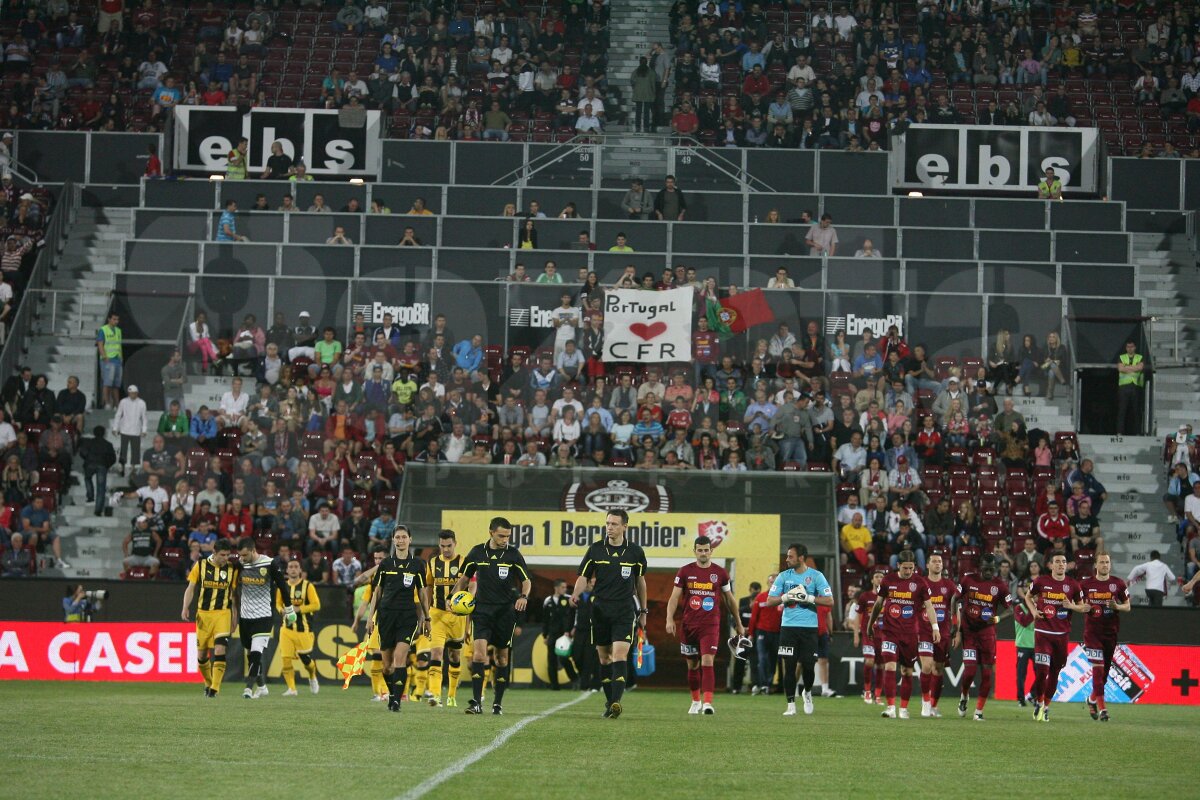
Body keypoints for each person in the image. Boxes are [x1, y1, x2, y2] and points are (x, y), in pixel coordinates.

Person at [569, 509, 647, 720]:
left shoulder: (635, 552)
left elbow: (640, 582)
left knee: (620, 654)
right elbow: (583, 576)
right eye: (607, 523)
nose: (609, 527)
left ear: (624, 527)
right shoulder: (595, 549)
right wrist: (575, 593)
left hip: (624, 610)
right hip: (600, 610)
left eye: (614, 524)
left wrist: (643, 611)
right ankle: (609, 700)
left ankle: (616, 701)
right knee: (604, 658)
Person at [454, 517, 532, 715]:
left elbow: (526, 580)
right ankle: (476, 703)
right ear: (491, 532)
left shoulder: (513, 554)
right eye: (501, 535)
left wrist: (523, 596)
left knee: (501, 658)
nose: (505, 539)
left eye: (507, 536)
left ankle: (497, 703)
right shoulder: (477, 552)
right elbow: (463, 578)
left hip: (505, 612)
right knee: (479, 655)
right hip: (481, 611)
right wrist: (451, 597)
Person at [664, 535, 745, 715]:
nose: (703, 553)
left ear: (711, 551)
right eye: (699, 550)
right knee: (692, 665)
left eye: (706, 550)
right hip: (688, 625)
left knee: (707, 661)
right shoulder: (684, 572)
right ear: (695, 551)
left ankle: (708, 703)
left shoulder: (721, 573)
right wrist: (669, 618)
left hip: (710, 624)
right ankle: (695, 700)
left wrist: (738, 623)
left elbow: (729, 599)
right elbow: (674, 597)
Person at [764, 543, 834, 716]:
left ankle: (807, 692)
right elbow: (769, 601)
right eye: (787, 556)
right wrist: (787, 596)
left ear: (801, 558)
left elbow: (829, 601)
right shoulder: (783, 577)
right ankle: (790, 705)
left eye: (790, 556)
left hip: (809, 628)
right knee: (789, 666)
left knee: (809, 667)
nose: (787, 559)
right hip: (788, 628)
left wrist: (809, 598)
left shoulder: (816, 576)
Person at [365, 526, 429, 712]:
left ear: (410, 539)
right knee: (386, 666)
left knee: (400, 658)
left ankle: (397, 702)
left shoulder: (418, 564)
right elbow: (377, 592)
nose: (401, 540)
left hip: (407, 617)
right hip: (386, 616)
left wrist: (426, 618)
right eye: (397, 537)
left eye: (404, 537)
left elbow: (423, 594)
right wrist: (370, 618)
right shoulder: (385, 564)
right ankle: (393, 695)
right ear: (393, 540)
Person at [1026, 552, 1087, 722]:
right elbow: (1028, 597)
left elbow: (1083, 608)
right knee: (1041, 671)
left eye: (1064, 562)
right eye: (1057, 562)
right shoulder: (1041, 582)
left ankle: (1045, 706)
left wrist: (1071, 606)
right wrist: (1033, 611)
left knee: (1054, 672)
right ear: (1051, 565)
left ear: (1066, 565)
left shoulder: (1073, 585)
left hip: (1061, 636)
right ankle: (1038, 701)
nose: (1061, 564)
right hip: (1043, 633)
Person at [232, 536, 292, 698]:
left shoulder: (269, 563)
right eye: (240, 556)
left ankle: (248, 689)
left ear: (253, 550)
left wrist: (290, 608)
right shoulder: (239, 564)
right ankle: (262, 686)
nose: (242, 559)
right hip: (245, 618)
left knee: (257, 653)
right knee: (251, 655)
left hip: (264, 617)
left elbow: (282, 586)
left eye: (245, 555)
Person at [956, 554, 1012, 721]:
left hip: (987, 634)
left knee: (987, 674)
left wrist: (997, 618)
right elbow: (954, 599)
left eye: (991, 569)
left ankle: (979, 711)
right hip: (969, 633)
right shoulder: (967, 580)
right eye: (985, 569)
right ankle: (964, 696)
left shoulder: (1000, 586)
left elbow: (1011, 609)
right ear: (979, 567)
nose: (988, 572)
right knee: (970, 671)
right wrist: (956, 627)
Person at [182, 539, 238, 697]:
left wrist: (234, 618)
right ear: (214, 553)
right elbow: (191, 588)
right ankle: (208, 682)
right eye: (222, 555)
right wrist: (185, 607)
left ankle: (215, 688)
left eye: (228, 555)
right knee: (202, 655)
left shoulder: (232, 569)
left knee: (220, 649)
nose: (225, 558)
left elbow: (233, 597)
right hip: (203, 615)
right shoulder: (200, 565)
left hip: (222, 614)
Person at [1080, 553, 1130, 722]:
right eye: (1101, 562)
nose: (1104, 565)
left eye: (1107, 562)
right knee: (1098, 669)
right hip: (1092, 633)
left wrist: (1117, 606)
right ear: (1096, 565)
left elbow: (1128, 606)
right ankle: (1103, 709)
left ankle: (1092, 699)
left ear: (1110, 564)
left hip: (1110, 633)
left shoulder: (1118, 584)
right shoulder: (1086, 585)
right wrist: (1083, 607)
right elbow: (1078, 604)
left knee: (1104, 675)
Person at [425, 529, 469, 707]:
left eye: (449, 546)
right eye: (442, 546)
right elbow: (428, 586)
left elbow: (472, 584)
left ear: (455, 543)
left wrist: (467, 607)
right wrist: (426, 611)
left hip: (457, 616)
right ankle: (435, 695)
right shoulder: (433, 562)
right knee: (435, 653)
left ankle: (451, 694)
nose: (445, 549)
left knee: (454, 655)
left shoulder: (464, 562)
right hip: (437, 614)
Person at [274, 556, 321, 698]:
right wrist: (281, 611)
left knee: (305, 659)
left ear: (300, 570)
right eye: (291, 567)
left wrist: (298, 609)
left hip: (304, 629)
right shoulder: (282, 586)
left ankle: (312, 676)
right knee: (285, 658)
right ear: (287, 570)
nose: (293, 569)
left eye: (296, 567)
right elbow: (277, 603)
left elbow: (316, 605)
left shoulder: (308, 586)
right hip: (286, 629)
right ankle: (292, 689)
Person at [918, 552, 957, 718]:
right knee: (927, 666)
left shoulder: (949, 586)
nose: (937, 564)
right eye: (934, 561)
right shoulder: (921, 583)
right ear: (927, 565)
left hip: (944, 632)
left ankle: (934, 705)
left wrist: (957, 629)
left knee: (938, 668)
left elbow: (956, 608)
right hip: (924, 631)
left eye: (940, 561)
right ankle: (925, 702)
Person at [853, 569, 884, 704]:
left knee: (881, 665)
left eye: (881, 577)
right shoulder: (865, 596)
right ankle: (867, 692)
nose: (879, 579)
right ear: (872, 580)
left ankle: (877, 695)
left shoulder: (888, 597)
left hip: (883, 635)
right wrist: (856, 634)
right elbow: (858, 616)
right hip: (868, 634)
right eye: (876, 576)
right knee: (870, 661)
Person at [747, 574, 782, 695]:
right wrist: (751, 634)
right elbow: (753, 617)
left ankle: (768, 683)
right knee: (762, 658)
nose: (773, 584)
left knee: (773, 660)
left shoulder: (783, 598)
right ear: (768, 583)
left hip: (777, 634)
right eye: (771, 582)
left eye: (775, 582)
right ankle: (763, 684)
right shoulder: (761, 597)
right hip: (762, 632)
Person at [542, 578, 579, 691]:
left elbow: (576, 614)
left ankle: (575, 679)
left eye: (565, 587)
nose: (565, 589)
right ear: (556, 588)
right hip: (552, 634)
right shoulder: (548, 600)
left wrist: (573, 628)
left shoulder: (569, 599)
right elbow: (545, 619)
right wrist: (545, 635)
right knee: (551, 660)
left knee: (563, 658)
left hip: (565, 634)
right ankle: (554, 685)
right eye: (563, 587)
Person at [78, 425, 116, 517]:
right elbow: (113, 458)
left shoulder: (88, 442)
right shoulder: (108, 444)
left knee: (87, 478)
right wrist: (107, 465)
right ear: (104, 434)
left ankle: (90, 496)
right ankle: (98, 509)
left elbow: (82, 452)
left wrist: (87, 459)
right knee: (101, 488)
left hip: (90, 464)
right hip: (102, 465)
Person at [112, 385, 147, 477]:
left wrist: (144, 430)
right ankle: (122, 467)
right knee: (123, 449)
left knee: (135, 449)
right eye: (130, 393)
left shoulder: (141, 403)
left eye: (134, 393)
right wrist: (115, 428)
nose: (132, 395)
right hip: (124, 429)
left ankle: (134, 468)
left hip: (136, 430)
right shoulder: (123, 402)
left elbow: (144, 417)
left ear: (137, 393)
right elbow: (118, 415)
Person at [1115, 340, 1145, 436]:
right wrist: (1133, 368)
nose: (1130, 348)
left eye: (1131, 346)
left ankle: (1137, 432)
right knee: (1122, 410)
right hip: (1124, 386)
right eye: (1128, 347)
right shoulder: (1121, 357)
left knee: (1136, 410)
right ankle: (1120, 431)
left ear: (1135, 347)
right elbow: (1120, 369)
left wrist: (1127, 367)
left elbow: (1140, 368)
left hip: (1136, 386)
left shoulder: (1140, 357)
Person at [96, 312, 123, 410]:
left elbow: (119, 345)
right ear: (109, 319)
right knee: (107, 382)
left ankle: (116, 404)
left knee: (116, 384)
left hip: (117, 359)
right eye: (114, 319)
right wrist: (104, 357)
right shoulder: (103, 330)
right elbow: (100, 344)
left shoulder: (118, 330)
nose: (116, 321)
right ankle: (107, 403)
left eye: (117, 319)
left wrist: (121, 358)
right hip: (108, 359)